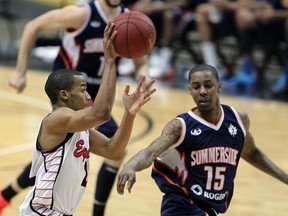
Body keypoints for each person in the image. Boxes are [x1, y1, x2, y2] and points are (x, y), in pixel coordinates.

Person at [4, 0, 149, 215]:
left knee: (62, 153)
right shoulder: (81, 14)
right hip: (72, 93)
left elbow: (113, 149)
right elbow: (32, 26)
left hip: (95, 95)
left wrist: (133, 106)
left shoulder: (127, 19)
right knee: (61, 148)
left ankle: (5, 195)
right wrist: (20, 70)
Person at [117, 64, 288, 215]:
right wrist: (131, 165)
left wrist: (285, 177)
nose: (203, 91)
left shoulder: (238, 120)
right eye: (196, 87)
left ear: (219, 87)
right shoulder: (181, 126)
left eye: (208, 85)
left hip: (208, 208)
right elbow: (150, 151)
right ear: (189, 90)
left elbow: (252, 153)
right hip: (182, 205)